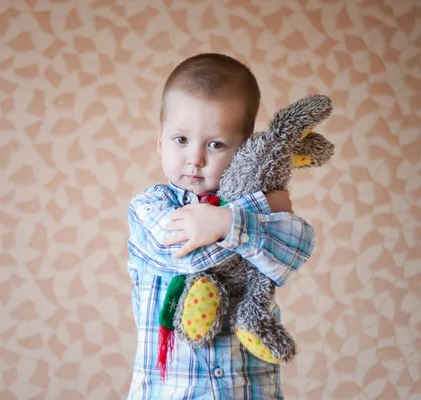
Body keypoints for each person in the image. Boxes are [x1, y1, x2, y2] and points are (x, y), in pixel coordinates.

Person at [126, 53, 317, 399]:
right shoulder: (148, 208)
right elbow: (187, 257)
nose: (195, 159)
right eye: (181, 139)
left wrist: (229, 220)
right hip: (170, 391)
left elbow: (296, 247)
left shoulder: (256, 212)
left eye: (215, 144)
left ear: (243, 151)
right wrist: (252, 212)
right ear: (159, 140)